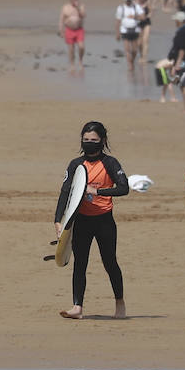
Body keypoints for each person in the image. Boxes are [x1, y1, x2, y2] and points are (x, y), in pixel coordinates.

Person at [56, 122, 130, 320]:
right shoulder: (75, 165)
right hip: (81, 221)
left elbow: (124, 188)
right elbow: (65, 192)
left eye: (94, 140)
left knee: (110, 262)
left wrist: (97, 191)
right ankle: (77, 307)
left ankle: (120, 304)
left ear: (103, 141)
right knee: (80, 263)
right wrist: (58, 220)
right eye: (86, 140)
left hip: (104, 221)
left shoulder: (111, 163)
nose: (89, 143)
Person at [59, 0, 87, 72]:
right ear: (70, 0)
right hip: (69, 30)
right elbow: (61, 19)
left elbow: (83, 16)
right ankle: (72, 64)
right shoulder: (65, 7)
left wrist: (78, 8)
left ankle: (80, 61)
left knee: (81, 47)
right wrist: (61, 30)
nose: (74, 1)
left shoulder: (81, 6)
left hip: (79, 30)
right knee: (71, 49)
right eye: (73, 0)